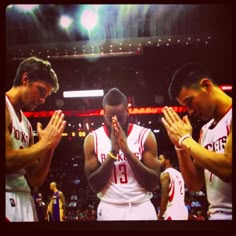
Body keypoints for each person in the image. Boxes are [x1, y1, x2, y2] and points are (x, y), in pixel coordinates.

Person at [161, 62, 232, 220]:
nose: (190, 111)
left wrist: (186, 139)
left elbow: (229, 169)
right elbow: (194, 184)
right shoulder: (205, 130)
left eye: (190, 102)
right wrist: (180, 147)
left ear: (206, 85)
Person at [83, 88, 160, 220]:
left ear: (127, 112)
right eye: (110, 117)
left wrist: (127, 153)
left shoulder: (145, 135)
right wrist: (113, 153)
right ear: (103, 114)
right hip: (109, 206)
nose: (115, 122)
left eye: (120, 117)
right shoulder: (92, 139)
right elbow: (94, 186)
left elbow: (152, 184)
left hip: (141, 205)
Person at [5, 56, 67, 222]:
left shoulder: (26, 124)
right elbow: (6, 161)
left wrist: (50, 148)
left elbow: (35, 179)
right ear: (25, 79)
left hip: (25, 199)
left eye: (46, 96)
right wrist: (44, 143)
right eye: (40, 91)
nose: (42, 100)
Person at [157, 152, 188, 220]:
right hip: (183, 210)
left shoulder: (165, 174)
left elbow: (164, 197)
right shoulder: (180, 174)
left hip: (172, 212)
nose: (158, 161)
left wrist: (160, 215)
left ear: (167, 161)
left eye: (160, 159)